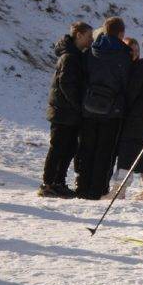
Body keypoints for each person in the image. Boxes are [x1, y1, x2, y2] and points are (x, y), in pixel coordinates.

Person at [74, 17, 133, 199]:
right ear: (121, 33)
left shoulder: (91, 51)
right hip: (112, 109)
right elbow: (125, 82)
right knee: (105, 150)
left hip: (89, 106)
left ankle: (82, 185)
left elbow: (83, 76)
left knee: (87, 147)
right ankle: (98, 188)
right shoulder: (124, 54)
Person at [39, 21, 91, 198]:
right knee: (58, 148)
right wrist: (78, 104)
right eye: (88, 36)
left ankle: (59, 181)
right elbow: (66, 84)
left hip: (69, 112)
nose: (91, 40)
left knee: (69, 148)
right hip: (63, 112)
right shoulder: (69, 57)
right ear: (79, 35)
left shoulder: (76, 55)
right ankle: (48, 183)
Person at [113, 30, 143, 200]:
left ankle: (119, 189)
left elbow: (132, 91)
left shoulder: (141, 66)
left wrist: (125, 109)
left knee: (128, 150)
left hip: (138, 113)